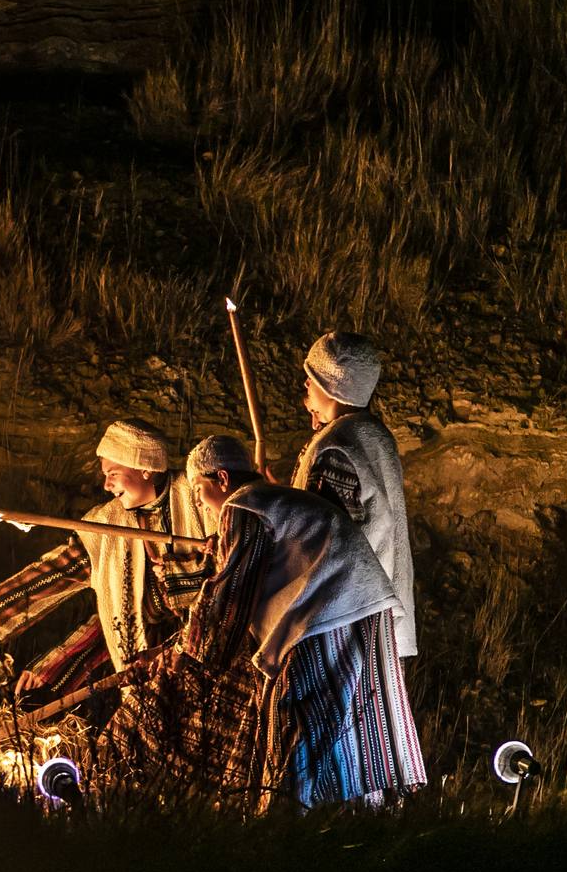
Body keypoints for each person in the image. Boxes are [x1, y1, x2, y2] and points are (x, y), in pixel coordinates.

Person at [112, 435, 425, 809]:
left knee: (301, 716)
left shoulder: (242, 506)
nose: (199, 504)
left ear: (223, 479)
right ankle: (368, 809)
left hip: (328, 614)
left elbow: (229, 599)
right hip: (363, 606)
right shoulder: (267, 503)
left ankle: (296, 811)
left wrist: (180, 658)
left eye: (199, 491)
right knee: (358, 716)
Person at [0, 418, 212, 706]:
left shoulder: (199, 494)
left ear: (145, 468)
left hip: (208, 647)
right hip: (148, 653)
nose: (106, 484)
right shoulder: (108, 525)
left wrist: (184, 571)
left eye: (113, 473)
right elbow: (49, 580)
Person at [292, 331, 416, 659]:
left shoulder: (337, 447)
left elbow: (327, 544)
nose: (305, 385)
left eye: (311, 378)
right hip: (375, 613)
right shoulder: (374, 434)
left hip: (343, 624)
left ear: (331, 384)